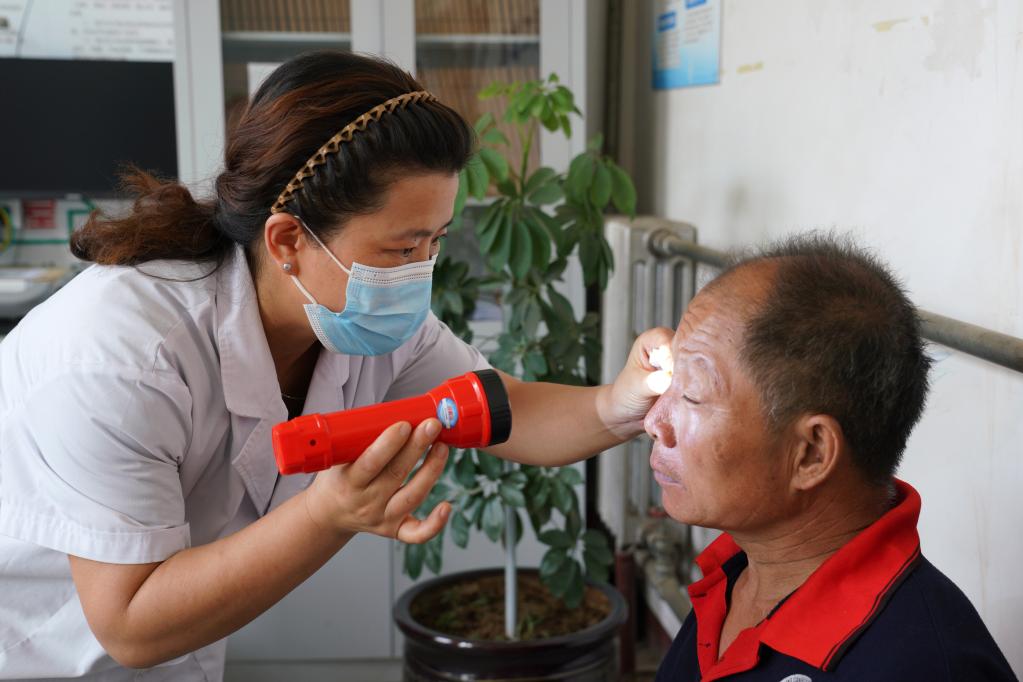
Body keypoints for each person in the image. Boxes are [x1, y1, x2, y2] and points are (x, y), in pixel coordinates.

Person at [0, 51, 670, 679]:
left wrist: (619, 404)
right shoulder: (119, 357)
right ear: (289, 239)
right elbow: (130, 626)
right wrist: (328, 515)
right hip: (36, 650)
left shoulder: (358, 317)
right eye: (401, 248)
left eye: (433, 242)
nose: (420, 274)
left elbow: (505, 408)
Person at [646, 234, 1017, 681]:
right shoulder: (740, 569)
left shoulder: (921, 665)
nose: (654, 422)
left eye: (691, 395)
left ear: (810, 453)